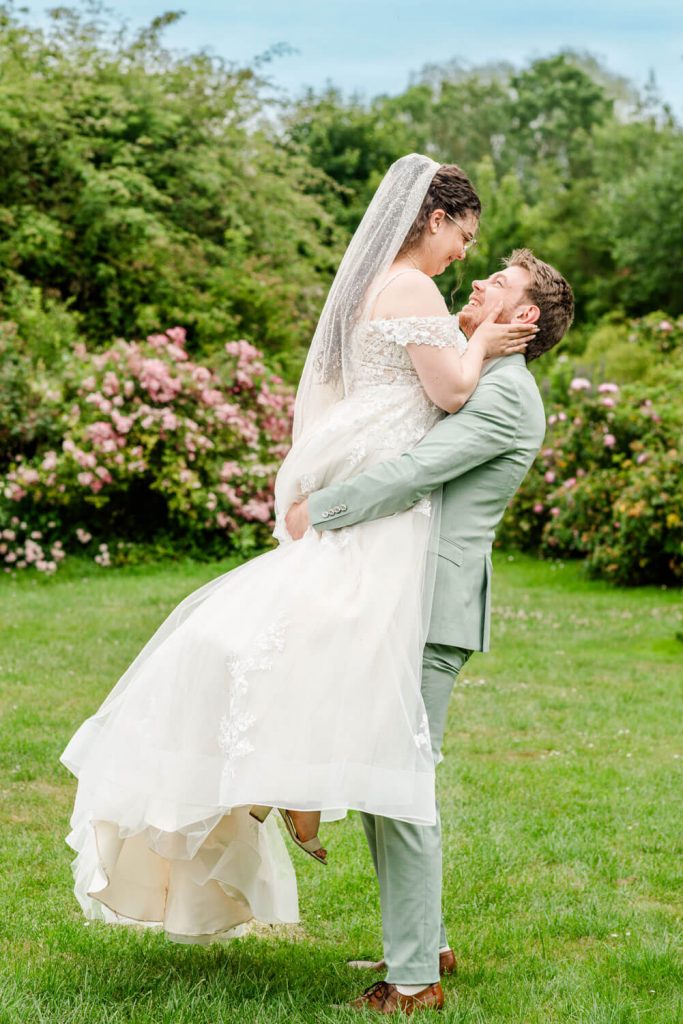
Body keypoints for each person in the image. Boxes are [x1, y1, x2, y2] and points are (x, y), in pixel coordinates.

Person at [60, 154, 534, 946]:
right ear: (434, 218)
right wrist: (481, 339)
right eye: (464, 235)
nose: (464, 256)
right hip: (378, 492)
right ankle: (288, 780)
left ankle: (288, 782)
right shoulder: (414, 286)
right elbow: (448, 393)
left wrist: (466, 334)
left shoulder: (385, 285)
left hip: (365, 476)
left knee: (304, 633)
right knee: (329, 644)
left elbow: (417, 380)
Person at [285, 249, 575, 1013]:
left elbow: (419, 469)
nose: (476, 282)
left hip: (431, 606)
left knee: (402, 781)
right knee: (386, 779)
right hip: (398, 594)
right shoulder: (478, 375)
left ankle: (414, 980)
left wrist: (324, 508)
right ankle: (424, 942)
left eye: (499, 284)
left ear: (524, 318)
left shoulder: (508, 395)